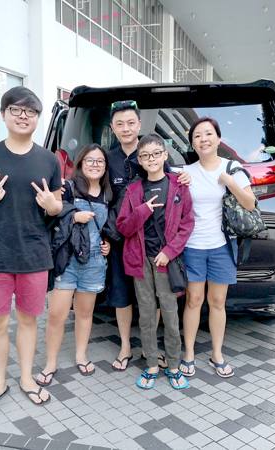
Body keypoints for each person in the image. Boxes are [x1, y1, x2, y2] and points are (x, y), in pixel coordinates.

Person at [0, 86, 62, 410]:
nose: (23, 116)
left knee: (29, 320)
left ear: (37, 118)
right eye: (16, 110)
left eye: (30, 112)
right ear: (3, 114)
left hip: (34, 254)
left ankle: (27, 378)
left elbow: (58, 206)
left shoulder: (49, 160)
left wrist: (52, 205)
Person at [105, 100, 190, 371]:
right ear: (112, 128)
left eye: (131, 122)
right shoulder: (110, 160)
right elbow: (92, 186)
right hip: (126, 243)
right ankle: (133, 351)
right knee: (125, 298)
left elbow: (183, 213)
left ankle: (161, 358)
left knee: (161, 304)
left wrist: (184, 177)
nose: (126, 128)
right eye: (120, 123)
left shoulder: (164, 170)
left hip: (161, 251)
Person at [179, 117, 255, 379]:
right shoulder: (186, 172)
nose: (203, 139)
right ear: (192, 143)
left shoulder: (233, 169)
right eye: (197, 136)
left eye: (208, 134)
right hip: (193, 246)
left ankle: (217, 354)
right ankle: (188, 353)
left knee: (218, 301)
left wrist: (230, 182)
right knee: (193, 300)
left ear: (219, 139)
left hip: (222, 245)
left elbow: (250, 204)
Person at [116, 134, 194, 390]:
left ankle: (173, 365)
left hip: (166, 261)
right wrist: (143, 210)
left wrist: (169, 252)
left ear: (164, 155)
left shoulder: (178, 185)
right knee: (147, 314)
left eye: (155, 154)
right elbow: (123, 227)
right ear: (139, 160)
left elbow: (187, 223)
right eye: (145, 155)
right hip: (140, 261)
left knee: (171, 314)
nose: (151, 159)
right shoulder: (133, 190)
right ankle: (151, 364)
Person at [36, 144, 112, 386]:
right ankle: (50, 363)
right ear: (80, 163)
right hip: (67, 260)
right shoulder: (67, 187)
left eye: (100, 161)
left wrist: (107, 243)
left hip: (94, 263)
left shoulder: (108, 193)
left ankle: (81, 355)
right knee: (57, 314)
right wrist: (73, 216)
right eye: (90, 160)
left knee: (85, 313)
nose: (95, 165)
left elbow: (109, 227)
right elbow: (52, 212)